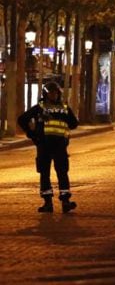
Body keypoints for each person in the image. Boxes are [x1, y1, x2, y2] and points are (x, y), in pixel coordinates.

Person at [18, 82, 79, 213]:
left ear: (59, 94)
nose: (54, 95)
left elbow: (74, 123)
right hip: (44, 145)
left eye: (56, 93)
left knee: (62, 172)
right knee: (44, 173)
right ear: (46, 94)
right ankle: (47, 203)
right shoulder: (40, 108)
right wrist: (32, 134)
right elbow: (22, 119)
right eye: (51, 93)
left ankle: (65, 202)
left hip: (59, 145)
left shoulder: (64, 108)